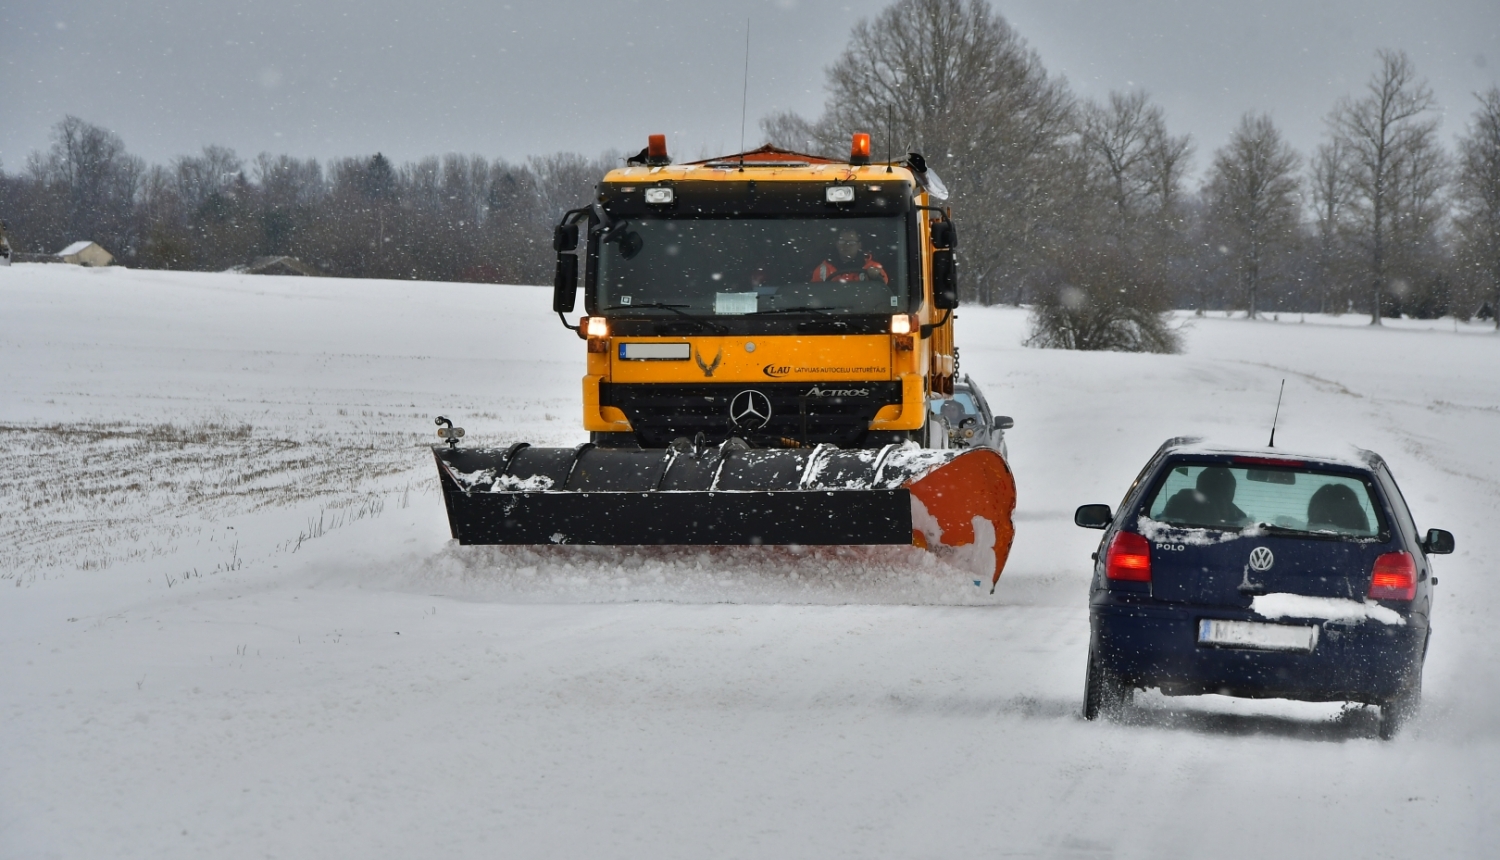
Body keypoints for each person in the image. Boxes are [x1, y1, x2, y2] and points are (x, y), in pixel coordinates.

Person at [1160, 466, 1249, 528]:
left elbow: (1155, 523)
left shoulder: (1178, 504)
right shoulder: (1239, 519)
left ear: (1198, 487)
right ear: (1230, 494)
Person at [810, 229, 888, 284]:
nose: (846, 245)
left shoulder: (872, 267)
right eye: (842, 241)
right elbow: (815, 293)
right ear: (837, 244)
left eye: (851, 242)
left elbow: (883, 284)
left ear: (859, 245)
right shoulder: (822, 269)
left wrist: (875, 275)